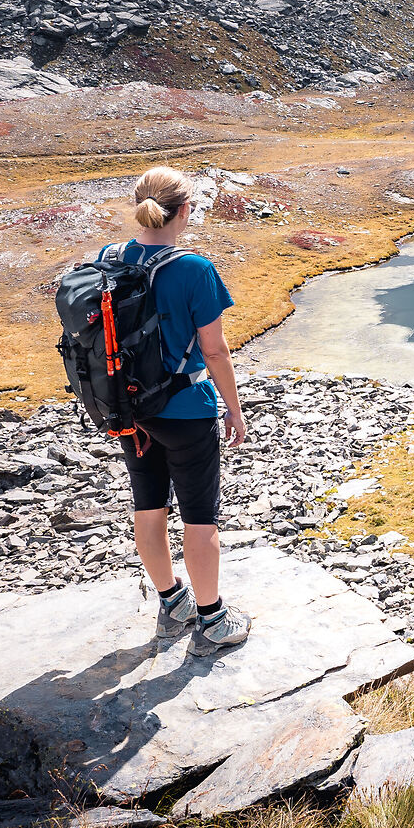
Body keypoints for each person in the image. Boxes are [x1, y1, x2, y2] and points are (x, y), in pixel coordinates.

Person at [119, 166, 250, 655]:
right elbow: (214, 352)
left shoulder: (112, 259)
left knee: (148, 508)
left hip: (131, 411)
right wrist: (233, 410)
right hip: (187, 412)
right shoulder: (194, 268)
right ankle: (213, 621)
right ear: (185, 210)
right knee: (200, 519)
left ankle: (172, 602)